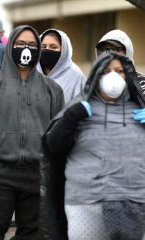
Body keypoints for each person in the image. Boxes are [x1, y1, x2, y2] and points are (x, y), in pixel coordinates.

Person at [0, 25, 65, 240]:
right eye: (20, 44)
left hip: (36, 174)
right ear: (10, 45)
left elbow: (57, 134)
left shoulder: (52, 89)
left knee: (32, 234)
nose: (26, 49)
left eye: (32, 45)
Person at [41, 52, 145, 240]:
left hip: (132, 201)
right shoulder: (79, 107)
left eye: (119, 71)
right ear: (96, 77)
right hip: (85, 201)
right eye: (106, 71)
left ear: (128, 75)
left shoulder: (140, 110)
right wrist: (71, 118)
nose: (113, 75)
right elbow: (54, 146)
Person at [37, 29, 86, 104]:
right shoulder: (31, 72)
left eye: (53, 47)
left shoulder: (76, 77)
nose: (47, 50)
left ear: (63, 50)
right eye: (43, 47)